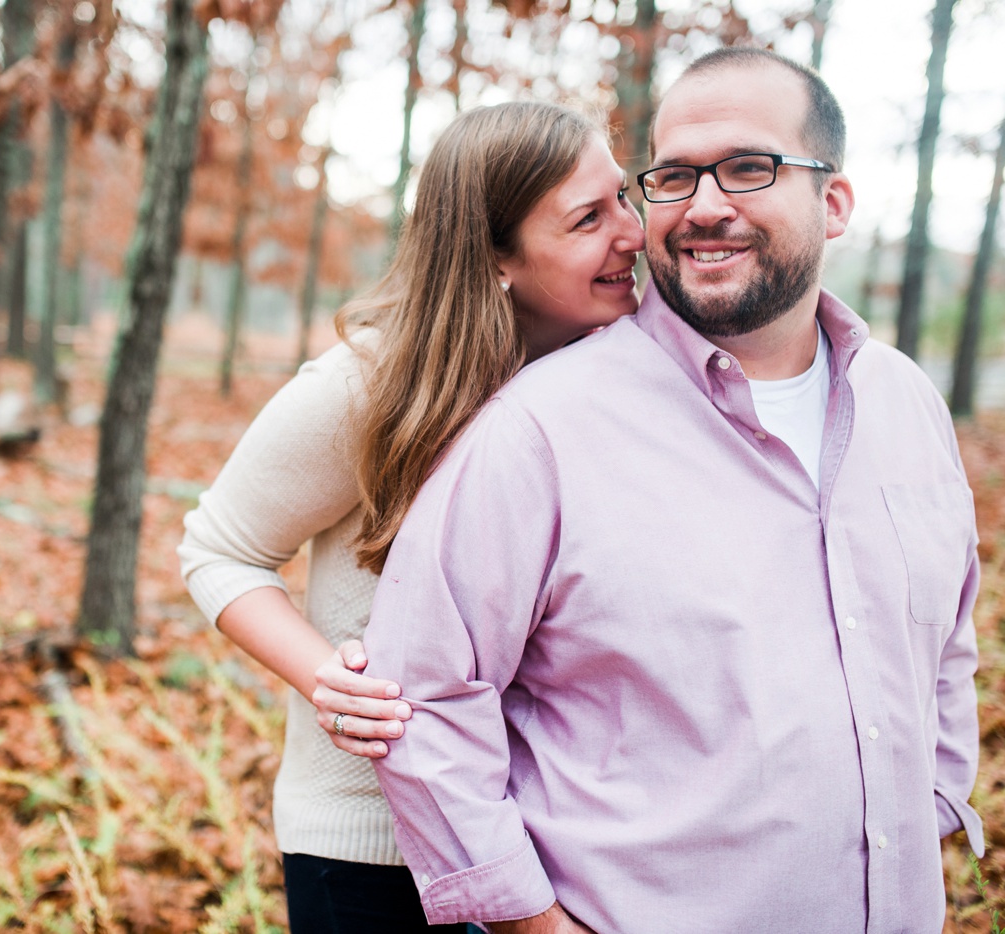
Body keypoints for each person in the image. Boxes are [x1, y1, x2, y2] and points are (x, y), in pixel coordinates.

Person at [359, 48, 984, 934]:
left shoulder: (907, 402)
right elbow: (424, 691)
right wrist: (528, 922)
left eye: (748, 167)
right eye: (676, 176)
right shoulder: (539, 431)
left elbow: (945, 636)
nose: (705, 206)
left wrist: (934, 796)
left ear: (834, 201)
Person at [177, 101, 645, 932]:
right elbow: (219, 549)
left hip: (546, 841)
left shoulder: (611, 377)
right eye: (587, 219)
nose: (633, 233)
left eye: (623, 197)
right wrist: (328, 680)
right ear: (496, 257)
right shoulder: (375, 382)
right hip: (372, 853)